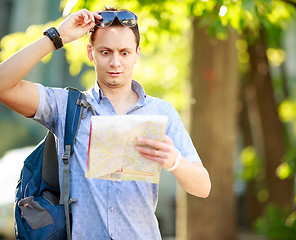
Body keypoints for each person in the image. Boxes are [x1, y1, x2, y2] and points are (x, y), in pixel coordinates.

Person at [0, 6, 211, 240]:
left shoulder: (161, 112)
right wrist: (56, 37)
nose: (115, 62)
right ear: (91, 53)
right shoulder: (64, 106)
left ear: (137, 54)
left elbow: (203, 187)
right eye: (105, 52)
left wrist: (175, 162)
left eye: (124, 53)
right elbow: (3, 85)